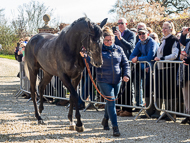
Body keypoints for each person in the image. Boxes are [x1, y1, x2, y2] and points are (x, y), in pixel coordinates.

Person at [80, 26, 130, 137]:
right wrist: (85, 56)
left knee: (110, 102)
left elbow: (125, 63)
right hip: (103, 80)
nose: (108, 42)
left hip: (117, 80)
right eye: (106, 40)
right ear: (102, 40)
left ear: (114, 39)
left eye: (110, 40)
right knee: (111, 101)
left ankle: (105, 119)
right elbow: (92, 61)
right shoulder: (98, 50)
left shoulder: (119, 49)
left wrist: (126, 74)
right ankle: (115, 127)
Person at [154, 21, 180, 120]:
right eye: (163, 28)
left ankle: (171, 112)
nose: (164, 30)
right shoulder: (163, 40)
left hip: (170, 69)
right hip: (161, 69)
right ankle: (166, 111)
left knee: (170, 91)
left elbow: (174, 55)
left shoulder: (174, 39)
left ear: (171, 29)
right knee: (164, 90)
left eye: (166, 28)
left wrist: (162, 59)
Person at [130, 27, 158, 118]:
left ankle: (156, 111)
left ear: (148, 34)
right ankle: (148, 111)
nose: (141, 35)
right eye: (140, 34)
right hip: (146, 69)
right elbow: (132, 56)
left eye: (143, 33)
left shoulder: (152, 43)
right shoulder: (139, 43)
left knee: (154, 90)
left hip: (155, 69)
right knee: (147, 89)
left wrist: (138, 59)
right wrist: (143, 64)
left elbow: (150, 56)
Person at [114, 18, 136, 117]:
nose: (120, 25)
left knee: (127, 87)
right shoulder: (115, 35)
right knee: (120, 87)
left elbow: (130, 46)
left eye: (122, 23)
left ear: (126, 24)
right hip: (118, 63)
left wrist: (120, 39)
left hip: (127, 63)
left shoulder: (130, 34)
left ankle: (128, 109)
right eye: (118, 23)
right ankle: (121, 108)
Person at [178, 26, 190, 124]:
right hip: (186, 72)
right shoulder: (189, 40)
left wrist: (188, 59)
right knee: (186, 94)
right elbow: (182, 42)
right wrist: (183, 33)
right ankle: (188, 114)